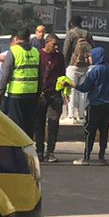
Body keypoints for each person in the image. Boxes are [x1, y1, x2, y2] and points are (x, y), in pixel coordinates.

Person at [75, 46, 109, 164]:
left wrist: (73, 85)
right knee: (104, 131)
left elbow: (85, 87)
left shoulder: (94, 70)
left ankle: (86, 157)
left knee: (90, 131)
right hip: (108, 104)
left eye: (90, 56)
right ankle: (101, 157)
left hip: (95, 104)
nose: (89, 58)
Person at [3, 27, 41, 138]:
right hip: (32, 94)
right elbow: (40, 75)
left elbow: (6, 74)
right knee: (29, 124)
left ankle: (17, 151)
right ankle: (27, 150)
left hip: (16, 93)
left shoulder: (13, 51)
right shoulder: (35, 52)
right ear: (29, 38)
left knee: (16, 124)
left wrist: (0, 93)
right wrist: (38, 93)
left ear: (16, 38)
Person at [36, 30, 67, 162]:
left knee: (53, 123)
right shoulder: (38, 55)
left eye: (57, 45)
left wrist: (64, 91)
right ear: (47, 43)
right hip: (40, 95)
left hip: (54, 94)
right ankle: (39, 150)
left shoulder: (60, 57)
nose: (56, 47)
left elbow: (62, 74)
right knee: (39, 124)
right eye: (54, 44)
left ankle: (51, 151)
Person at [64, 16, 92, 124]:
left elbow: (66, 51)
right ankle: (81, 117)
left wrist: (65, 65)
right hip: (85, 66)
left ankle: (71, 116)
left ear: (71, 23)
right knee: (83, 92)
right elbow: (92, 49)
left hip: (72, 66)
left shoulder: (70, 34)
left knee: (71, 90)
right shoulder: (87, 34)